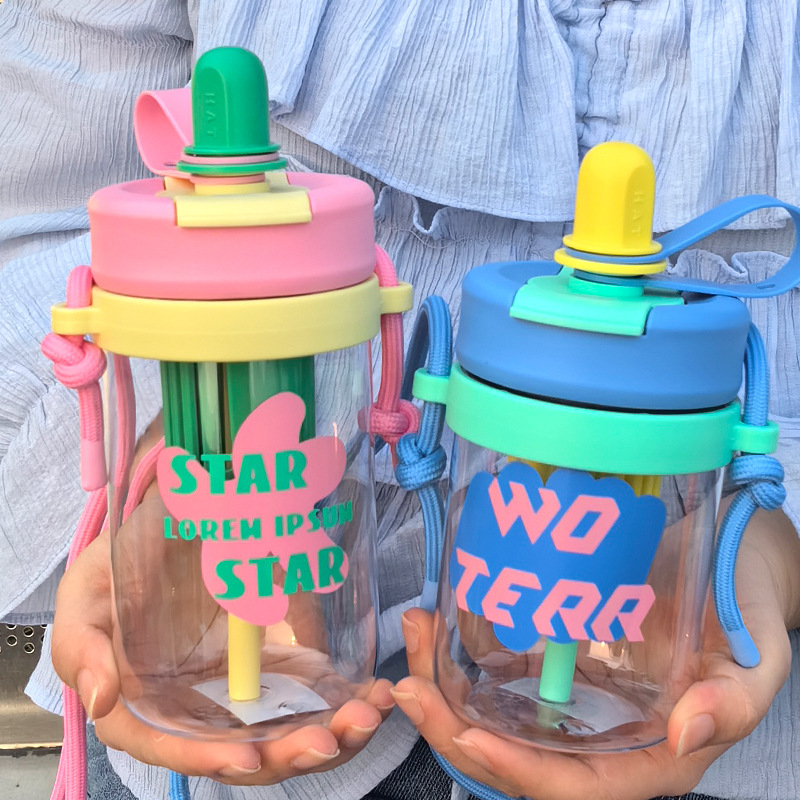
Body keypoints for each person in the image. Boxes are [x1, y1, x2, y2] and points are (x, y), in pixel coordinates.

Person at [2, 1, 799, 799]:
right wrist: (178, 465)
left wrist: (759, 540)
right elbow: (34, 214)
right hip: (205, 707)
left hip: (707, 731)